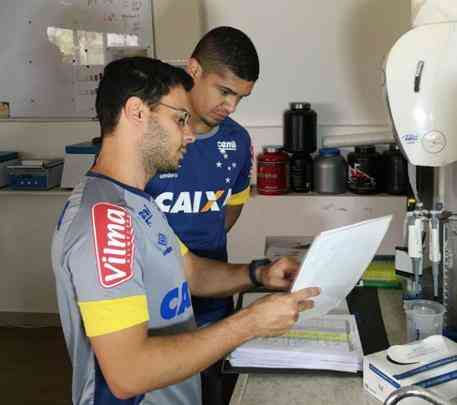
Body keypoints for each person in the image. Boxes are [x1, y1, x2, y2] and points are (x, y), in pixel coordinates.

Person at [51, 56, 319, 405]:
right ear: (137, 112)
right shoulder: (106, 221)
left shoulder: (138, 201)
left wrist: (259, 274)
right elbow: (128, 373)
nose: (190, 134)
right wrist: (250, 322)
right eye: (180, 119)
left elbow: (190, 271)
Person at [144, 26, 259, 404]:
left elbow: (231, 207)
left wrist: (201, 244)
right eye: (224, 91)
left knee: (212, 391)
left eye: (240, 97)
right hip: (150, 306)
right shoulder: (148, 135)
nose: (231, 107)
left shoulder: (238, 141)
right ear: (193, 69)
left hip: (212, 300)